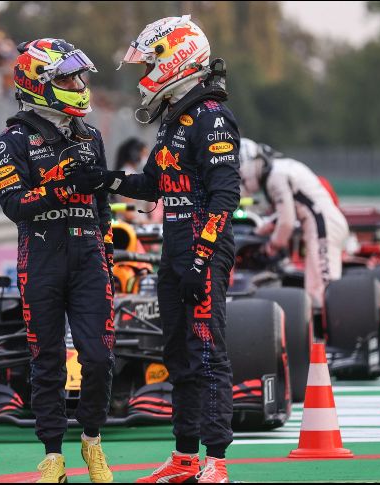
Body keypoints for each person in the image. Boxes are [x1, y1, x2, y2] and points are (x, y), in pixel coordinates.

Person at [67, 15, 239, 483]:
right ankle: (185, 458)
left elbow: (226, 196)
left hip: (204, 251)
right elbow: (155, 186)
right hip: (176, 250)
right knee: (178, 355)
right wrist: (104, 180)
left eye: (151, 61)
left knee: (208, 353)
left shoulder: (211, 117)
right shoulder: (174, 119)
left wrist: (201, 259)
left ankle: (217, 462)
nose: (144, 73)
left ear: (178, 58)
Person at [0, 38, 115, 483]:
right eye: (67, 78)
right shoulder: (12, 141)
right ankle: (52, 455)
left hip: (88, 258)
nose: (79, 85)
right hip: (40, 256)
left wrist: (107, 246)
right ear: (40, 84)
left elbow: (102, 203)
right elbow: (14, 204)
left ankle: (93, 441)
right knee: (46, 359)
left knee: (98, 357)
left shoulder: (91, 136)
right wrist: (58, 188)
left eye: (79, 76)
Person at [238, 138, 349, 309]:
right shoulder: (281, 169)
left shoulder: (277, 176)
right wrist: (260, 231)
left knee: (321, 290)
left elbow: (286, 223)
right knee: (317, 287)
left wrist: (270, 247)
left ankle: (329, 331)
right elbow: (284, 214)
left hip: (323, 228)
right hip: (324, 225)